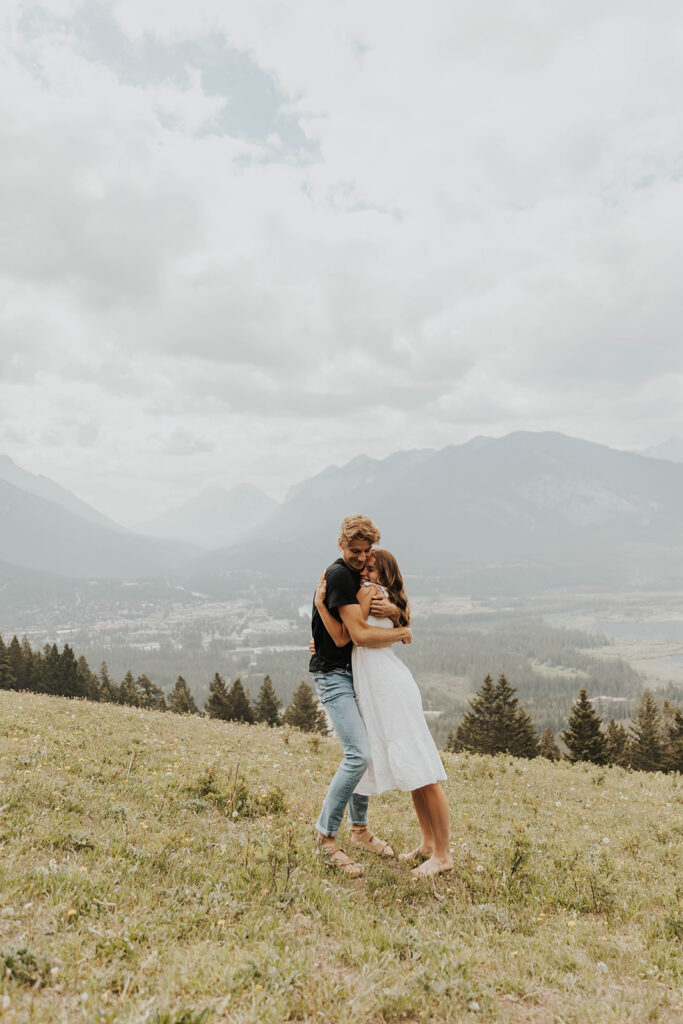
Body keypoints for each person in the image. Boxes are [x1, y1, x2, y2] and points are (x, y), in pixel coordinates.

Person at [314, 547, 453, 879]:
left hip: (390, 688)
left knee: (424, 772)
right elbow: (356, 636)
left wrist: (322, 608)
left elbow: (351, 636)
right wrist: (401, 625)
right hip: (384, 687)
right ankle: (427, 845)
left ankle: (443, 855)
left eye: (373, 568)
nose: (366, 572)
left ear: (385, 574)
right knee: (416, 776)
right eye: (365, 567)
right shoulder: (385, 596)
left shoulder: (370, 592)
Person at [310, 514, 413, 877]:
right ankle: (325, 837)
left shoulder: (359, 576)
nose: (361, 557)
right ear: (341, 545)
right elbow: (348, 637)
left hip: (353, 675)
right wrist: (402, 633)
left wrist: (397, 614)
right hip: (334, 677)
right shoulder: (339, 576)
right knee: (358, 754)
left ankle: (360, 829)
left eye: (366, 550)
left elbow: (344, 629)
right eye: (355, 550)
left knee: (365, 752)